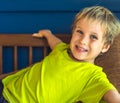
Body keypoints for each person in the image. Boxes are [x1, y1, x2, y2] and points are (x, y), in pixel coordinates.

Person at [0, 6, 120, 103]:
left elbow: (111, 94)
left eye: (93, 37)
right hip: (5, 87)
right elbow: (55, 42)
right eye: (79, 32)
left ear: (105, 46)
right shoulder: (62, 49)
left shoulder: (93, 76)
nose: (83, 41)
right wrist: (47, 34)